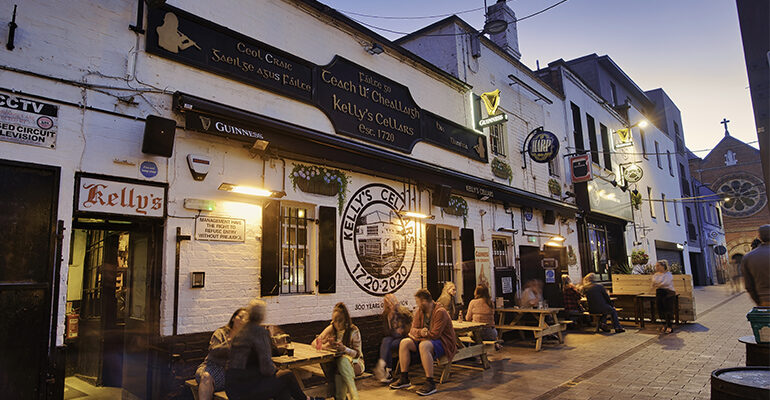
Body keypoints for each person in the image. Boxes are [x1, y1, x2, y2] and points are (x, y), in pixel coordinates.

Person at [226, 299, 321, 400]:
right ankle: (306, 399)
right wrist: (277, 370)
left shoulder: (241, 332)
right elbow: (266, 367)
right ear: (262, 316)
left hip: (233, 388)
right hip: (246, 390)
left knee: (281, 384)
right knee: (287, 375)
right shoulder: (260, 332)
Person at [390, 289, 457, 396]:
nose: (417, 304)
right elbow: (412, 330)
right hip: (424, 339)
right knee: (404, 342)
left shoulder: (441, 312)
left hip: (443, 342)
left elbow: (435, 334)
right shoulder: (420, 311)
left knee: (424, 345)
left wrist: (419, 334)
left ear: (424, 301)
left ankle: (430, 382)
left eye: (418, 302)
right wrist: (421, 332)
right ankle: (404, 378)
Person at [315, 303, 364, 400]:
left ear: (346, 319)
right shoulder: (331, 328)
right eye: (334, 321)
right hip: (336, 363)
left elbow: (357, 354)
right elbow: (315, 343)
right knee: (327, 364)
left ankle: (341, 396)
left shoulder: (353, 330)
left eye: (340, 321)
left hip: (356, 363)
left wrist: (344, 349)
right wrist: (326, 345)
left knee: (340, 365)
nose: (337, 324)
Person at [195, 308, 248, 400]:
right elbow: (213, 352)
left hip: (232, 372)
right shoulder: (221, 333)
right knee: (206, 377)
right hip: (212, 367)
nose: (243, 320)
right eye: (240, 317)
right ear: (233, 318)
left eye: (246, 319)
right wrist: (229, 342)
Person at [373, 294, 412, 384]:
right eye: (387, 303)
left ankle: (385, 368)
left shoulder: (403, 312)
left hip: (403, 338)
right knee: (386, 340)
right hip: (392, 337)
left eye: (391, 302)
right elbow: (386, 331)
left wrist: (403, 329)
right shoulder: (386, 314)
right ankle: (387, 369)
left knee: (387, 343)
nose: (390, 304)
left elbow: (411, 323)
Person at [741, 225, 770, 306]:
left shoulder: (748, 257)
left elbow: (749, 286)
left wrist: (759, 302)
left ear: (760, 237)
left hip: (765, 300)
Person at [465, 285, 501, 350]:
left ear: (476, 292)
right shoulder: (491, 303)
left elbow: (467, 318)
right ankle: (496, 345)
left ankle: (470, 353)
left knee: (469, 334)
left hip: (477, 333)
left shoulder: (473, 302)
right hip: (491, 334)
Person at [651, 260, 677, 334]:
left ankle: (669, 326)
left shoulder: (668, 274)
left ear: (663, 266)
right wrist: (659, 284)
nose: (656, 267)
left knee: (668, 309)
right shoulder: (656, 275)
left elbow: (666, 283)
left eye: (658, 266)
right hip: (659, 292)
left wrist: (658, 284)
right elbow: (653, 282)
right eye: (656, 266)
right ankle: (664, 324)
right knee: (660, 309)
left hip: (668, 293)